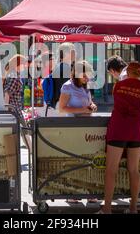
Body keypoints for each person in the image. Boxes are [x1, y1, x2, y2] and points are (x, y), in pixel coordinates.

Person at [98, 62, 140, 214]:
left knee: (111, 170)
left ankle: (107, 209)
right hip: (135, 130)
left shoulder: (117, 86)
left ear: (127, 73)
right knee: (134, 170)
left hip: (118, 128)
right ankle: (133, 208)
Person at [58, 60, 98, 204]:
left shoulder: (84, 86)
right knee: (75, 161)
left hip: (86, 128)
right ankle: (72, 192)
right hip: (74, 128)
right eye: (85, 76)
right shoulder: (67, 86)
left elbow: (88, 102)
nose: (87, 78)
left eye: (88, 76)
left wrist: (92, 105)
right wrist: (83, 110)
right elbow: (61, 108)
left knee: (88, 161)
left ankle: (89, 191)